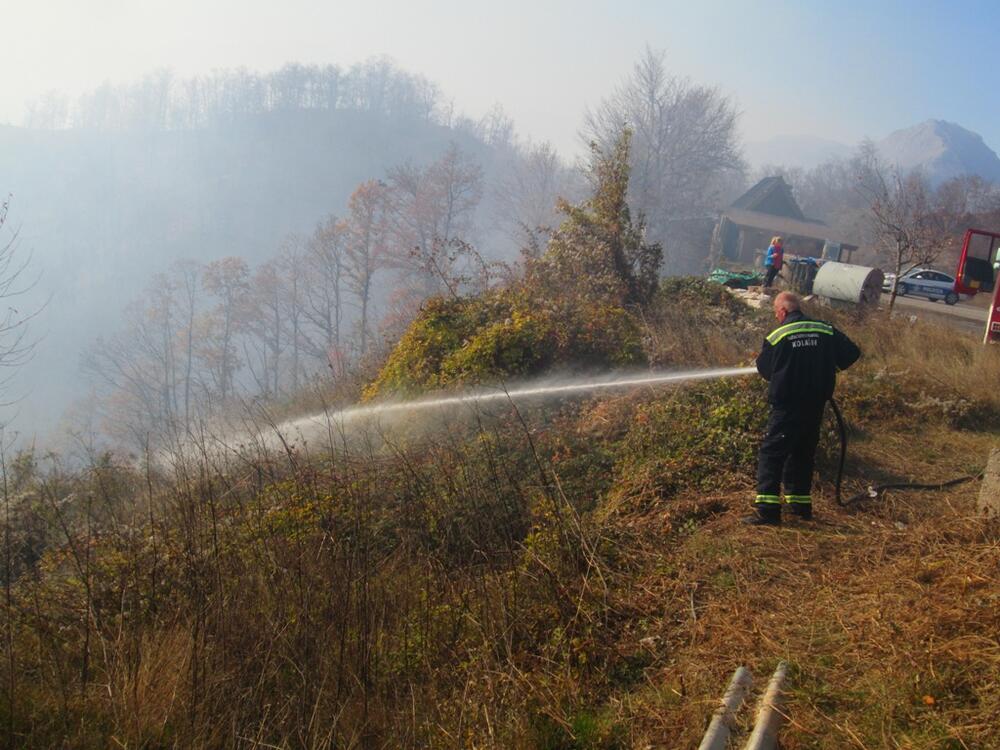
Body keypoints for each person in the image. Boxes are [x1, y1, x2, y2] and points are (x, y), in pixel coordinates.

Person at [745, 291, 861, 525]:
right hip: (815, 404)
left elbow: (765, 370)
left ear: (783, 311)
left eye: (776, 312)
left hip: (787, 405)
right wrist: (828, 369)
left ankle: (767, 511)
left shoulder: (778, 335)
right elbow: (852, 353)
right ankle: (800, 505)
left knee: (772, 453)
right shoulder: (825, 329)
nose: (776, 317)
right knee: (802, 453)